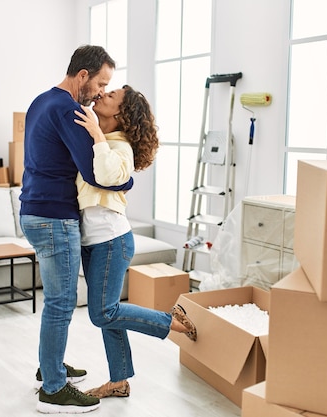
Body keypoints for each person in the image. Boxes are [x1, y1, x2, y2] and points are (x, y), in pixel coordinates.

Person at [19, 45, 133, 414]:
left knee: (57, 300)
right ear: (82, 76)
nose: (101, 92)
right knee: (61, 302)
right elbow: (95, 173)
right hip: (55, 217)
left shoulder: (42, 100)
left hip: (34, 211)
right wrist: (126, 183)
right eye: (100, 83)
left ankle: (50, 367)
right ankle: (54, 389)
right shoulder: (69, 110)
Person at [73, 85, 197, 399]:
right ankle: (119, 381)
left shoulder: (120, 144)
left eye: (110, 96)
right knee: (109, 313)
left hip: (111, 241)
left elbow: (108, 175)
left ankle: (169, 321)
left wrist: (98, 136)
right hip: (94, 241)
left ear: (121, 114)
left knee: (102, 313)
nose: (101, 95)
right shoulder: (98, 139)